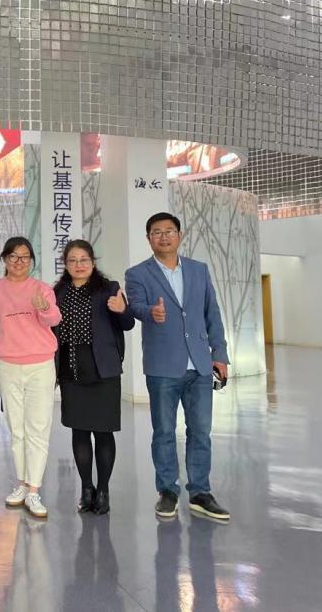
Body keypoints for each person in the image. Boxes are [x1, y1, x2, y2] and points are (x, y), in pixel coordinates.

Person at [125, 212, 230, 522]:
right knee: (164, 432)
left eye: (169, 231)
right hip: (162, 366)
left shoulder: (199, 270)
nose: (164, 236)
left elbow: (212, 312)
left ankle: (200, 492)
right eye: (157, 232)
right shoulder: (137, 273)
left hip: (199, 365)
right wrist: (150, 312)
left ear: (179, 235)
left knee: (201, 431)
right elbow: (135, 306)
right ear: (149, 239)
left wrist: (219, 354)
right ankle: (167, 491)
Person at [52, 239, 134, 515]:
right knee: (79, 431)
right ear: (66, 264)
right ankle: (87, 489)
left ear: (93, 262)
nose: (79, 265)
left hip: (103, 369)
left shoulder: (108, 288)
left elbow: (128, 324)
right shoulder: (58, 292)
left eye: (84, 260)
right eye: (73, 260)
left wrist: (122, 310)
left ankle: (104, 491)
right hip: (71, 369)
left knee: (103, 432)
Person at [0, 236, 61, 518]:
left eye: (25, 257)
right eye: (13, 256)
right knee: (16, 428)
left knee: (38, 428)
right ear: (4, 259)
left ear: (31, 261)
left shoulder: (42, 289)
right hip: (7, 365)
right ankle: (22, 484)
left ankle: (34, 490)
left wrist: (43, 308)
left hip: (40, 364)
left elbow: (54, 319)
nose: (19, 262)